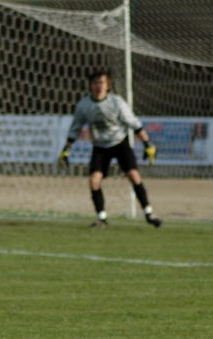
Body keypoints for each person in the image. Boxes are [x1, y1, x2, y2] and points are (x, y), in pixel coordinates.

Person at [58, 71, 162, 228]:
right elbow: (76, 128)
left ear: (108, 86)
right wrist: (66, 149)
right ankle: (101, 218)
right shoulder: (84, 105)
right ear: (90, 85)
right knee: (94, 181)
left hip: (120, 143)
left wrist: (148, 144)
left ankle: (149, 214)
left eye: (101, 82)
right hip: (100, 146)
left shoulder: (116, 102)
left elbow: (133, 122)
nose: (98, 86)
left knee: (134, 176)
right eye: (95, 83)